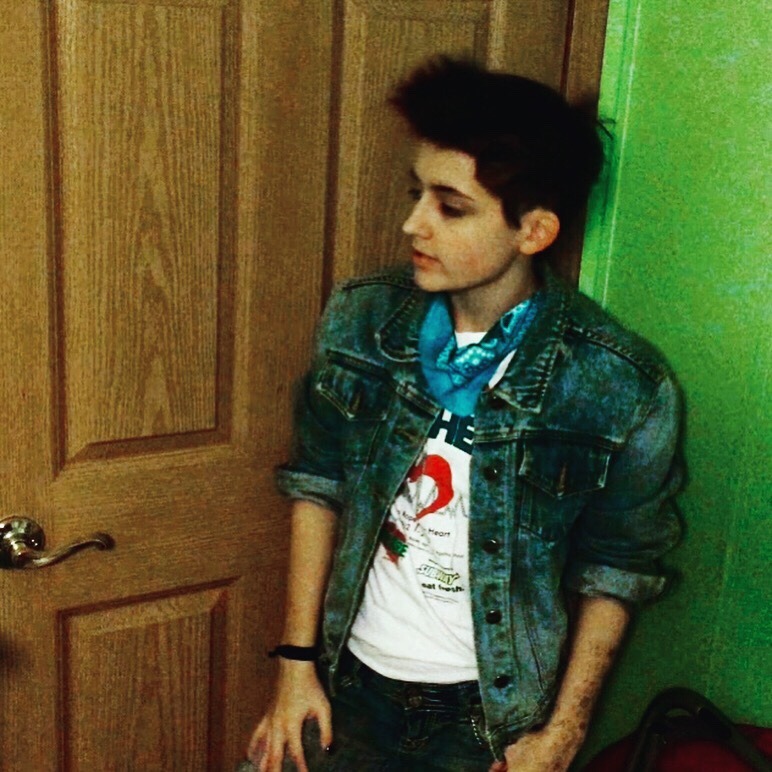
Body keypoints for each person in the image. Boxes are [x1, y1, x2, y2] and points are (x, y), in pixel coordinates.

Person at [246, 56, 683, 772]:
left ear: (533, 231)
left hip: (490, 720)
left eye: (450, 207)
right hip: (347, 685)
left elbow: (619, 567)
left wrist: (562, 737)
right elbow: (317, 485)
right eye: (416, 193)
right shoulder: (364, 318)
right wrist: (294, 667)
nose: (412, 223)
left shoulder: (617, 382)